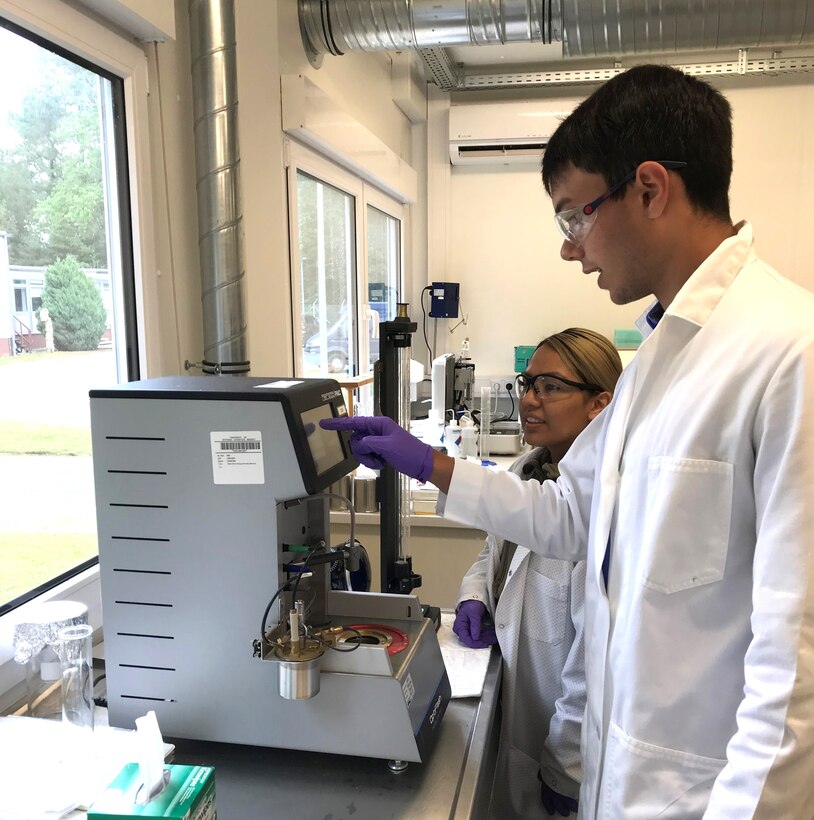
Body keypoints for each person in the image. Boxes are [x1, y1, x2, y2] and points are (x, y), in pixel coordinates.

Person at [322, 63, 814, 818]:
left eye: (573, 216)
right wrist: (433, 464)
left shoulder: (788, 353)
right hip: (615, 793)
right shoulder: (657, 363)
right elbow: (573, 518)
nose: (570, 248)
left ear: (649, 189)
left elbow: (796, 675)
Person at [453, 328, 622, 820]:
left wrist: (567, 765)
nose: (528, 399)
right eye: (527, 384)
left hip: (563, 749)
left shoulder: (604, 516)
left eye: (549, 387)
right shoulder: (528, 473)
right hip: (512, 709)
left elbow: (596, 658)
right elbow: (494, 552)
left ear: (599, 403)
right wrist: (475, 595)